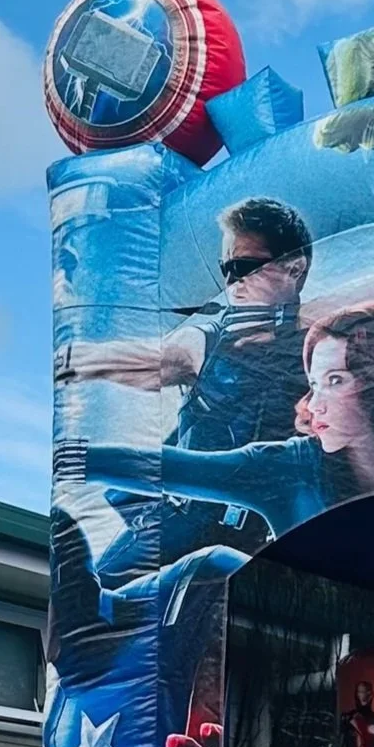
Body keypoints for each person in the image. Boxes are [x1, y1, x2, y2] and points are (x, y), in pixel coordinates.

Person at [57, 199, 314, 577]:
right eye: (226, 269)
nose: (232, 282)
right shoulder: (211, 338)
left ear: (293, 268)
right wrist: (75, 361)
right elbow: (164, 359)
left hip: (262, 538)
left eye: (244, 267)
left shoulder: (325, 338)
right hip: (176, 529)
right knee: (106, 601)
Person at [67, 303, 374, 541]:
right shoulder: (286, 468)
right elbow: (177, 468)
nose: (314, 404)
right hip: (294, 640)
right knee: (213, 565)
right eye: (313, 384)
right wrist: (77, 459)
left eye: (335, 381)